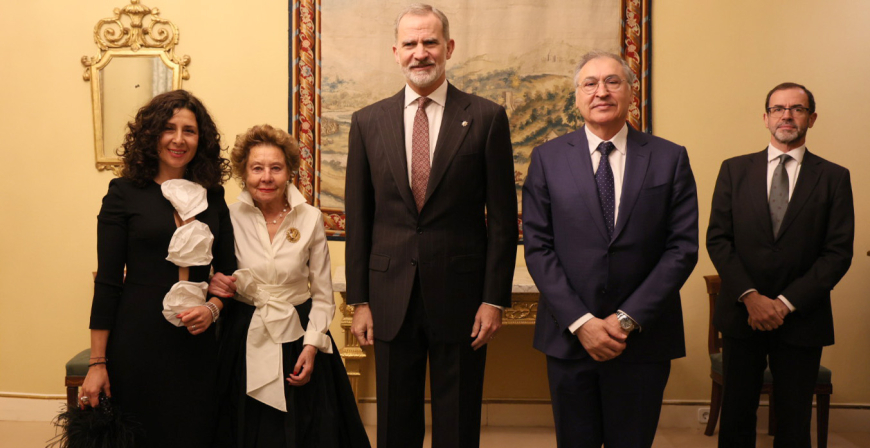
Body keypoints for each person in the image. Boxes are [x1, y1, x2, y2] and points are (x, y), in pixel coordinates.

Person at [344, 4, 518, 447]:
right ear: (396, 52)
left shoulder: (486, 117)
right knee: (395, 426)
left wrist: (494, 300)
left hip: (462, 298)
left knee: (458, 424)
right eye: (410, 44)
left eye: (430, 42)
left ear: (449, 47)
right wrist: (359, 301)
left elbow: (501, 219)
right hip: (388, 298)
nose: (420, 53)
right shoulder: (368, 122)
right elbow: (359, 218)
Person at [522, 50, 699, 448]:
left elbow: (681, 248)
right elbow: (538, 247)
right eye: (590, 83)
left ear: (631, 93)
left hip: (642, 339)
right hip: (570, 338)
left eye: (612, 82)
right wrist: (582, 322)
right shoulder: (547, 159)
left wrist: (625, 320)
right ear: (577, 97)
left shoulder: (670, 158)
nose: (601, 91)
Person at [81, 90, 237, 448]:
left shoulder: (213, 196)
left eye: (189, 130)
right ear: (152, 135)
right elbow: (107, 283)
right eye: (169, 128)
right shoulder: (122, 193)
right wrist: (97, 362)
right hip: (137, 343)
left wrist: (212, 309)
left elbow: (229, 273)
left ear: (202, 139)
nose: (179, 139)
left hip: (196, 347)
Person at [707, 83, 854, 448]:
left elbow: (837, 253)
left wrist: (785, 303)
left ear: (812, 118)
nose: (786, 115)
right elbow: (718, 240)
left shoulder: (834, 177)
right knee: (737, 415)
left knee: (794, 420)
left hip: (802, 318)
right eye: (778, 108)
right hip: (743, 315)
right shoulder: (734, 170)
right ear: (766, 117)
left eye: (797, 109)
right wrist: (751, 297)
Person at [209, 124, 369, 448]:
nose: (266, 177)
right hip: (241, 336)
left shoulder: (310, 218)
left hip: (298, 337)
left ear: (289, 172)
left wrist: (311, 347)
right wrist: (214, 279)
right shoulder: (227, 216)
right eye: (257, 168)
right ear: (244, 172)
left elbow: (324, 298)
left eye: (275, 168)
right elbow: (213, 272)